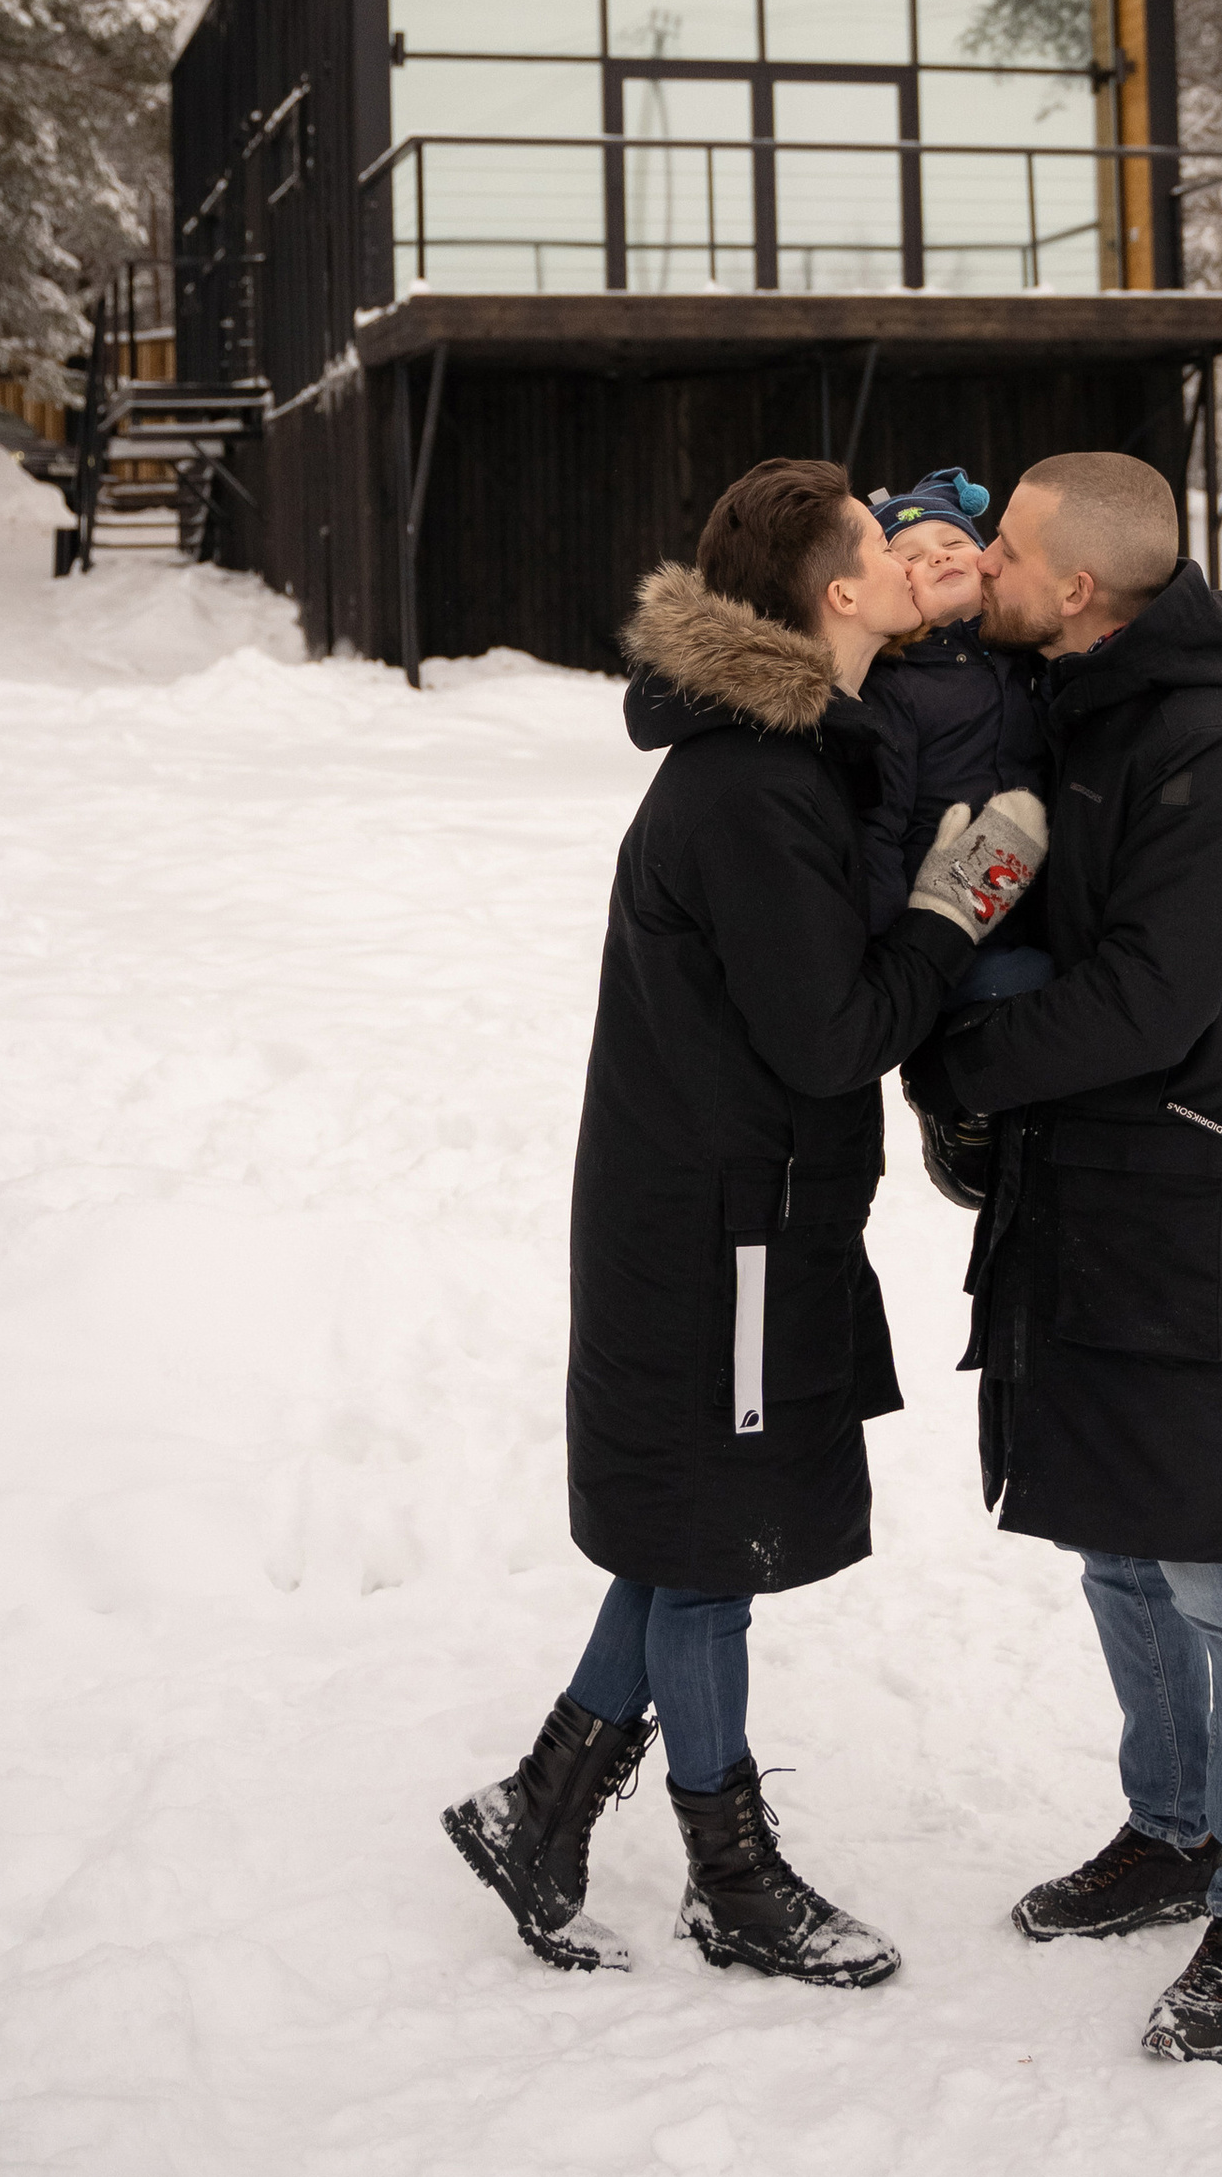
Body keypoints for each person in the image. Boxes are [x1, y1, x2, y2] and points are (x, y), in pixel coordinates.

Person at [441, 456, 1047, 1988]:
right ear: (838, 595)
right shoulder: (754, 785)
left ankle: (543, 1803)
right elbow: (830, 1036)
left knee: (686, 1526)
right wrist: (949, 908)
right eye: (880, 542)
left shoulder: (788, 754)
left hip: (735, 1213)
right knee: (711, 1549)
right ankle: (732, 1874)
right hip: (722, 1231)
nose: (917, 553)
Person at [906, 450, 1222, 2070]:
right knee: (1115, 1541)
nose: (989, 570)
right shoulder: (1068, 721)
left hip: (1195, 1218)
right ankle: (1171, 1831)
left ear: (1079, 585)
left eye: (1008, 549)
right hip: (1077, 1194)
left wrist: (959, 1075)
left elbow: (1149, 999)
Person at [862, 464, 1053, 1008]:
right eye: (912, 558)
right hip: (954, 936)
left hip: (1045, 906)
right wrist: (884, 935)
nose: (940, 556)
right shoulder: (895, 683)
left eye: (952, 541)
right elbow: (880, 818)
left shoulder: (1029, 656)